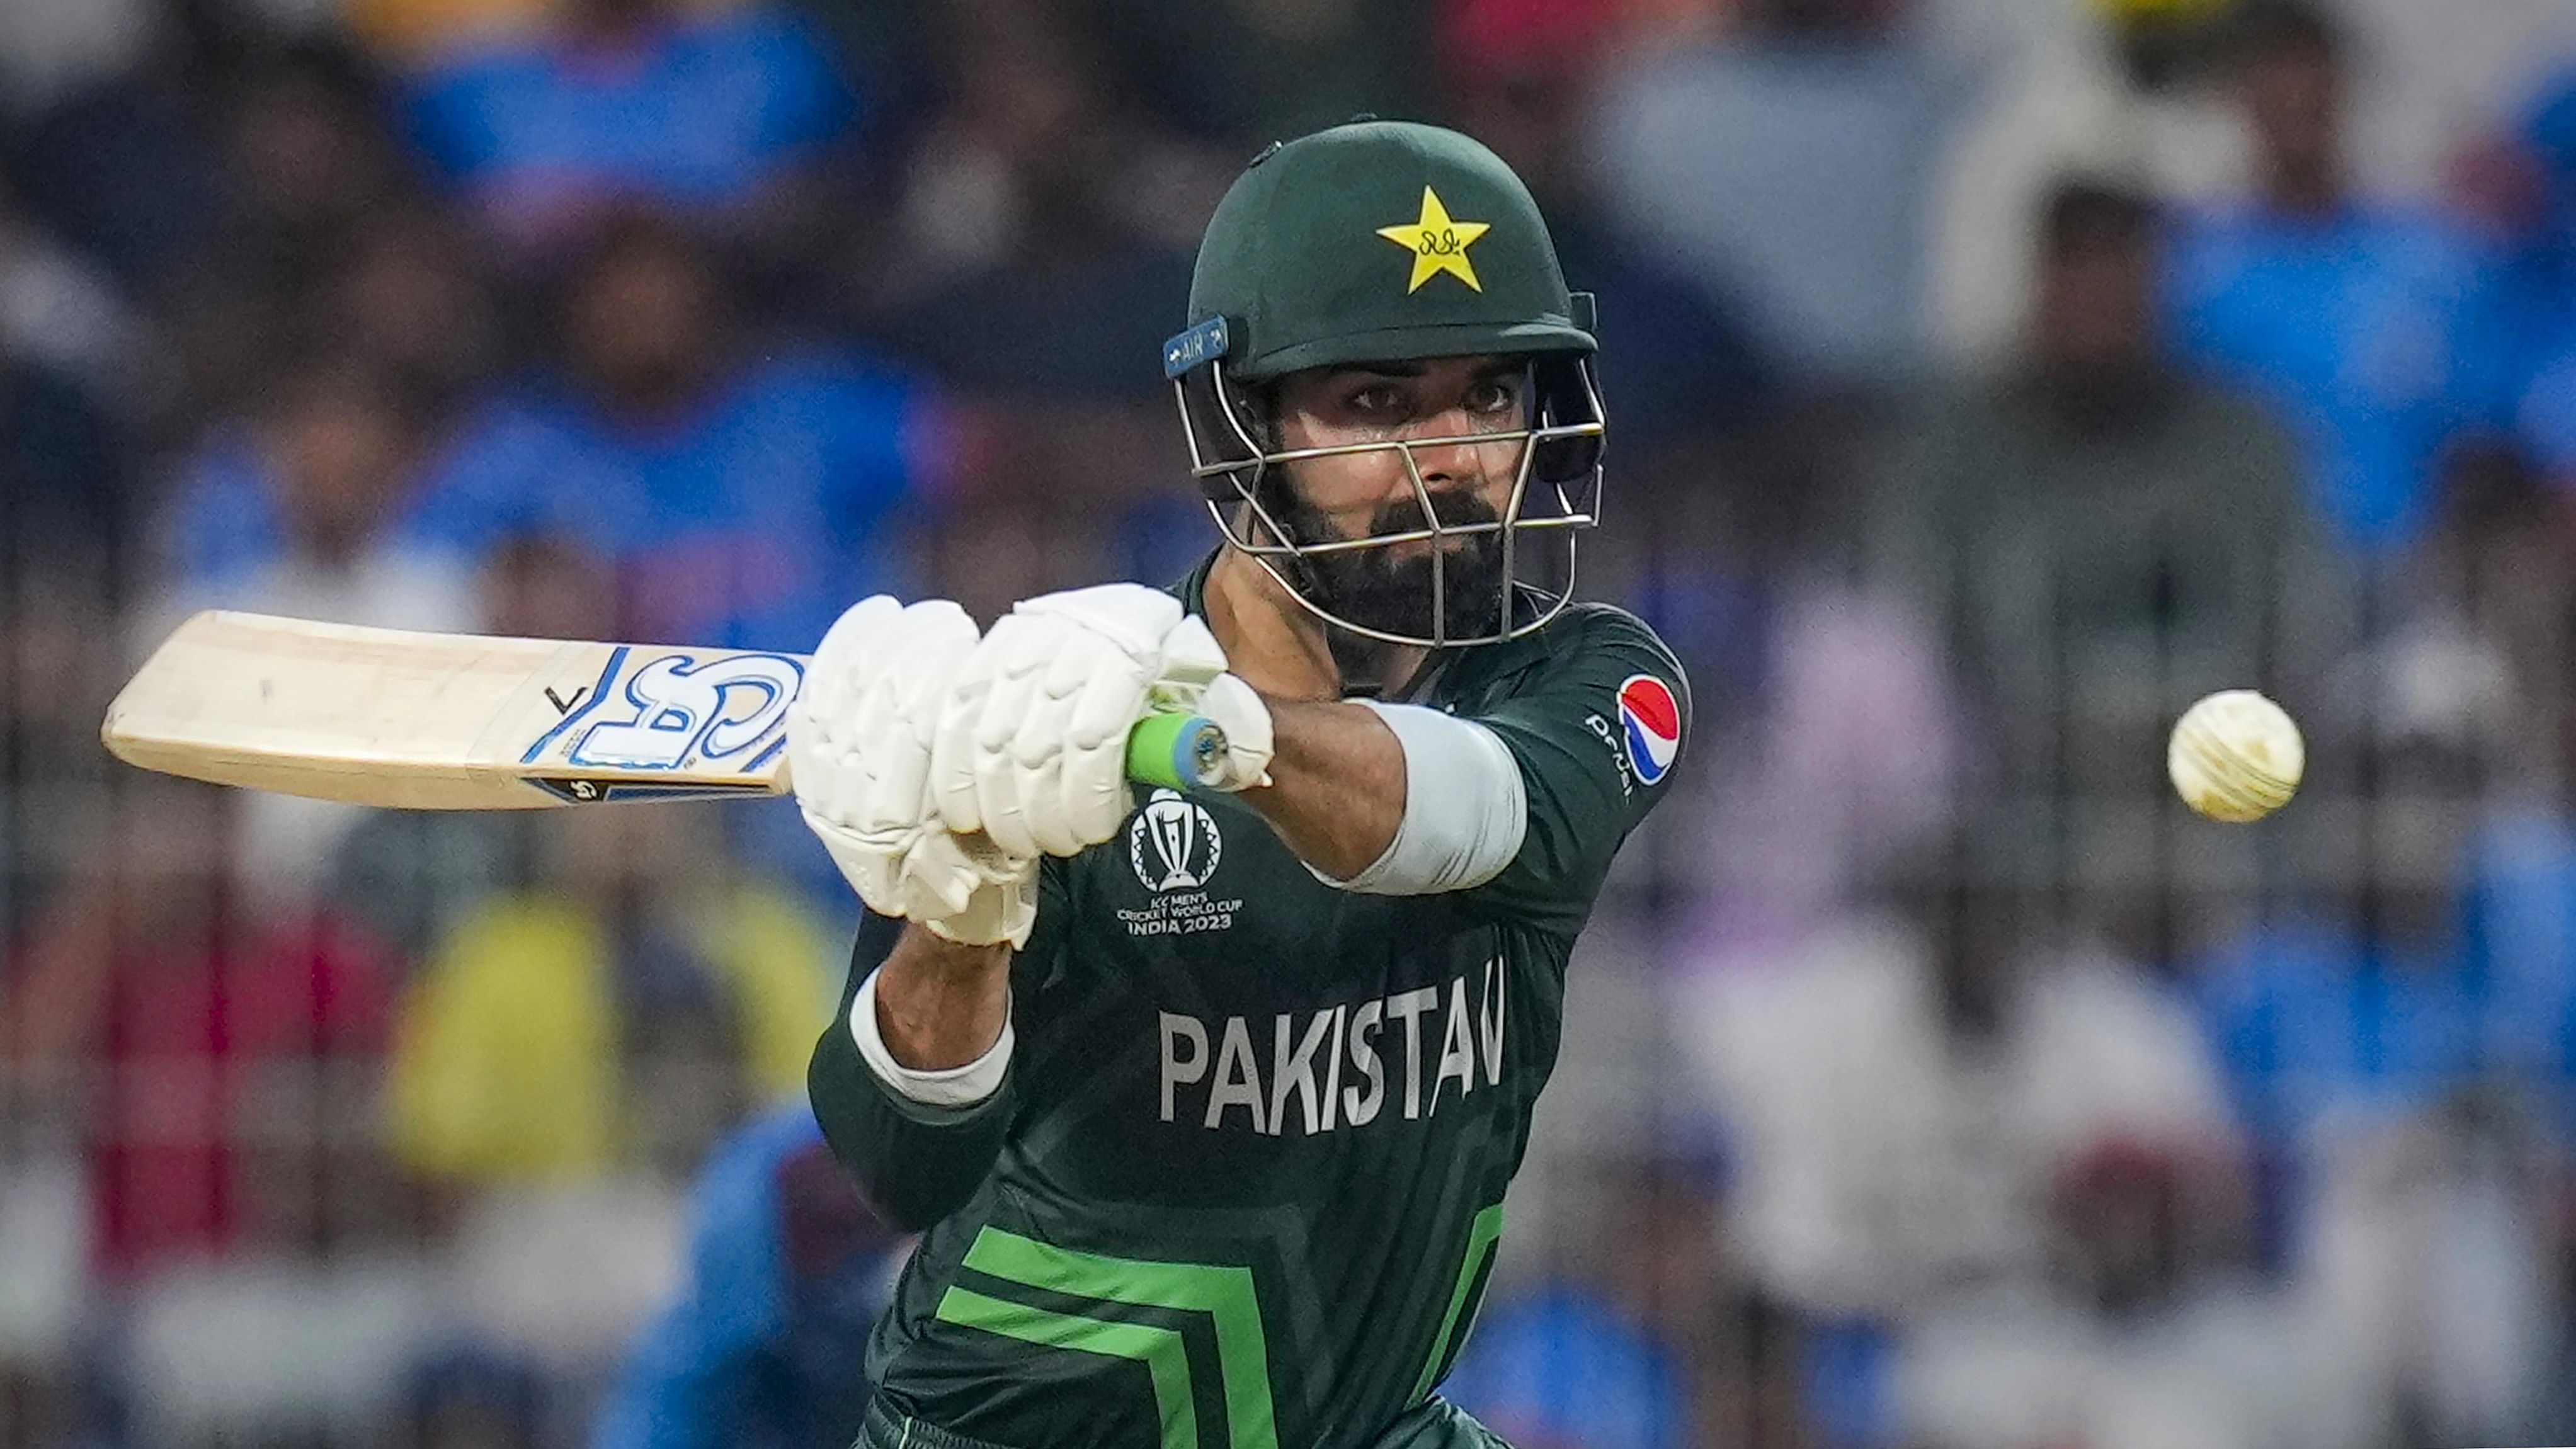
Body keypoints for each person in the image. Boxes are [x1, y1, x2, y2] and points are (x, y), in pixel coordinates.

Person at [792, 120, 1690, 1449]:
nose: (1450, 460)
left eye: (1490, 395)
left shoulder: (1585, 678)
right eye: (1376, 403)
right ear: (1243, 424)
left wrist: (1213, 728)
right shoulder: (1050, 734)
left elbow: (1466, 811)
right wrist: (961, 911)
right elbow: (900, 1163)